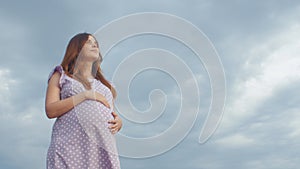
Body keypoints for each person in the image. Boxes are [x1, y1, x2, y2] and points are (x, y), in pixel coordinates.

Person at [45, 32, 122, 169]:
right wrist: (85, 95)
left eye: (96, 43)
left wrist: (119, 122)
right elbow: (51, 110)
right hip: (70, 146)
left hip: (102, 148)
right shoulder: (61, 75)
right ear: (76, 49)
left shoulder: (106, 85)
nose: (94, 45)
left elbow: (111, 112)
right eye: (88, 42)